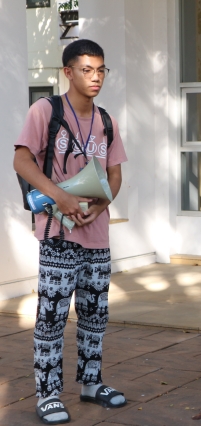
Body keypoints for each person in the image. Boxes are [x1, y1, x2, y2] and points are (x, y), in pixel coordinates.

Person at [13, 39, 128, 425]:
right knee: (52, 316)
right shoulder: (46, 111)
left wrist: (102, 204)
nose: (96, 77)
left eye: (101, 70)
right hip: (57, 234)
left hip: (97, 235)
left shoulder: (107, 120)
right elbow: (21, 160)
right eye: (87, 70)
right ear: (68, 72)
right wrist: (60, 196)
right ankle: (47, 394)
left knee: (96, 314)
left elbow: (114, 174)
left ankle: (91, 384)